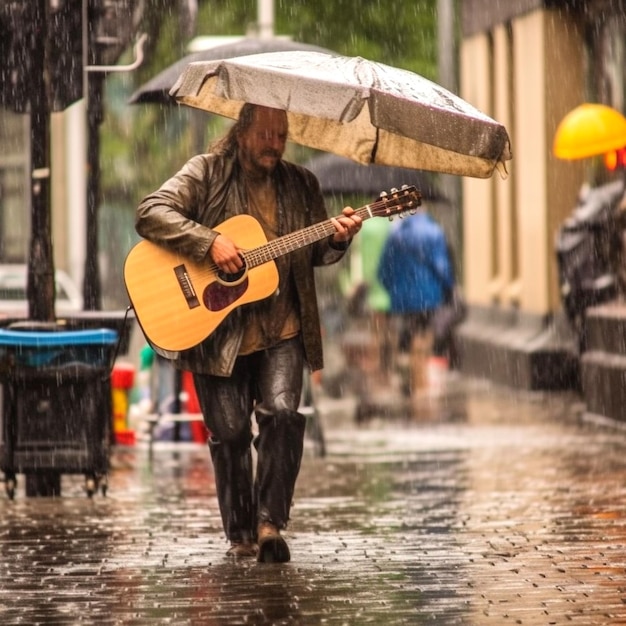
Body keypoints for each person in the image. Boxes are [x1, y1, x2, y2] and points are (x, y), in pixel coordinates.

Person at [135, 104, 362, 563]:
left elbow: (315, 252)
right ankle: (240, 532)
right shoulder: (207, 171)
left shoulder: (302, 184)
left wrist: (338, 238)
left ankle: (269, 523)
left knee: (282, 413)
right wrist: (208, 242)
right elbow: (150, 211)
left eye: (282, 135)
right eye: (266, 134)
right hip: (218, 332)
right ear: (242, 132)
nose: (275, 144)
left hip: (283, 327)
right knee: (231, 433)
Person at [377, 205, 453, 396]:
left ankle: (412, 380)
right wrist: (448, 287)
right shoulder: (434, 232)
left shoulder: (395, 234)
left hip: (401, 300)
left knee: (408, 340)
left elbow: (383, 271)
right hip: (428, 297)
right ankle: (420, 385)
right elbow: (442, 267)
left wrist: (394, 290)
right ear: (425, 209)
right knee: (424, 339)